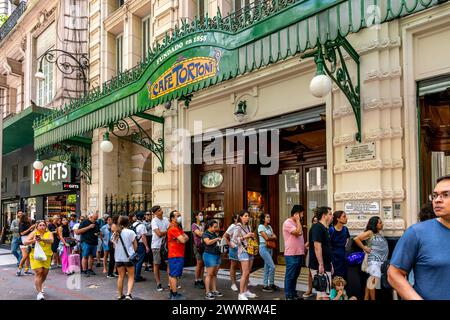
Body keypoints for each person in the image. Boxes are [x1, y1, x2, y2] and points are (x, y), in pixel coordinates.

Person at [388, 175, 450, 300]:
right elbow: (394, 274)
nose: (437, 200)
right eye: (435, 195)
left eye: (445, 195)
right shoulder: (416, 233)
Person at [353, 216, 388, 300]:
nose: (382, 224)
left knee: (371, 281)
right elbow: (356, 239)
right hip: (373, 261)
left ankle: (366, 298)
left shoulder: (378, 233)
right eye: (380, 223)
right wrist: (365, 248)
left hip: (379, 261)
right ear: (375, 224)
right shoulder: (370, 232)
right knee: (373, 281)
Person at [24, 220, 54, 300]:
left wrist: (42, 239)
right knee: (39, 272)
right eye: (40, 225)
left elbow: (51, 240)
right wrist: (34, 240)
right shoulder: (34, 233)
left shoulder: (49, 233)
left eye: (43, 225)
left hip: (47, 256)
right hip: (35, 256)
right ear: (37, 226)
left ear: (46, 226)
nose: (42, 226)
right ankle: (39, 293)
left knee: (44, 274)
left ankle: (39, 284)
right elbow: (25, 241)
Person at [309, 206, 333, 300]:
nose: (332, 216)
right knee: (325, 294)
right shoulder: (317, 227)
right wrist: (321, 265)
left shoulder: (324, 228)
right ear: (324, 215)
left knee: (321, 294)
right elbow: (317, 247)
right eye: (330, 214)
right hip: (318, 265)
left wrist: (329, 263)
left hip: (325, 264)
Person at [231, 210, 257, 300]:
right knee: (245, 273)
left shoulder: (249, 226)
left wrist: (252, 236)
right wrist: (245, 237)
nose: (247, 217)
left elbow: (249, 237)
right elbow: (233, 240)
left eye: (248, 216)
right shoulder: (238, 227)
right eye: (245, 216)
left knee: (248, 273)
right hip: (243, 251)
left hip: (250, 250)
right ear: (241, 217)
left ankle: (246, 291)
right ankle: (241, 293)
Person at [111, 215, 138, 300]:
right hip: (129, 257)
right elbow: (135, 245)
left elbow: (114, 245)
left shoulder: (116, 233)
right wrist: (132, 252)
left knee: (120, 276)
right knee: (131, 276)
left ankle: (120, 295)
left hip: (118, 258)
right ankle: (128, 294)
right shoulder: (131, 232)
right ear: (128, 222)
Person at [282, 205, 305, 300]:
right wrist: (298, 220)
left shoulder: (296, 222)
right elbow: (298, 232)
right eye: (302, 214)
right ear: (296, 214)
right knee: (290, 275)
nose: (302, 216)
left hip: (299, 253)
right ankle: (288, 295)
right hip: (291, 254)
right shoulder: (288, 223)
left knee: (295, 275)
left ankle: (293, 293)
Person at [167, 210, 189, 300]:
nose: (179, 217)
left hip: (178, 254)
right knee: (174, 275)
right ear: (172, 218)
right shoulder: (173, 228)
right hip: (175, 255)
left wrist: (181, 239)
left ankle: (172, 294)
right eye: (177, 216)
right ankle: (174, 295)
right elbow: (184, 240)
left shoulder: (178, 228)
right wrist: (181, 239)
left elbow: (186, 237)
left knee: (174, 274)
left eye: (180, 215)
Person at [202, 219, 223, 300]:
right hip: (209, 255)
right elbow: (208, 242)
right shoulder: (205, 234)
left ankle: (214, 290)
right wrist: (216, 239)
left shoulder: (214, 233)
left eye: (216, 226)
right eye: (214, 227)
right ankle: (207, 292)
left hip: (217, 255)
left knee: (214, 274)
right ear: (210, 226)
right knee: (209, 274)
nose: (216, 228)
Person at [150, 205, 170, 291]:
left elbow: (169, 230)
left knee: (169, 263)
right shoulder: (154, 221)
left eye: (160, 209)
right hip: (156, 245)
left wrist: (166, 232)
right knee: (156, 264)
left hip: (165, 245)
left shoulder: (165, 219)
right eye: (158, 210)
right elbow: (159, 234)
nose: (161, 211)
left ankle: (171, 282)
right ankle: (158, 283)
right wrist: (168, 231)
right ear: (154, 213)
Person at [75, 212, 100, 277]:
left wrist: (98, 234)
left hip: (94, 242)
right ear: (90, 217)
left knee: (92, 256)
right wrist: (88, 227)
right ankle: (84, 270)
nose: (95, 220)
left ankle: (90, 269)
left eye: (96, 219)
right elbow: (77, 232)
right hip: (86, 242)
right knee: (85, 256)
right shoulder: (84, 222)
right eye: (94, 219)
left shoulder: (96, 223)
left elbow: (98, 231)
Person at [259, 213, 278, 293]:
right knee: (272, 266)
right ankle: (270, 284)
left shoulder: (269, 227)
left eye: (269, 217)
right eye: (267, 217)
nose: (269, 218)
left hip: (270, 248)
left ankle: (267, 285)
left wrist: (270, 237)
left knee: (267, 267)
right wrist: (271, 237)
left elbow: (275, 237)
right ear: (263, 219)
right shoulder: (261, 226)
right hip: (263, 248)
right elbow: (266, 237)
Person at [329, 210, 350, 280]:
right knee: (335, 277)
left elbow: (347, 238)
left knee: (343, 276)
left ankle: (342, 290)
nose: (346, 218)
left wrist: (345, 246)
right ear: (338, 219)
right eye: (344, 216)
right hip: (334, 256)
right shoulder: (331, 230)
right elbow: (328, 244)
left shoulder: (345, 229)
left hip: (343, 255)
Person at [303, 215, 318, 298]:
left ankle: (320, 290)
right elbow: (309, 241)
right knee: (310, 273)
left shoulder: (322, 229)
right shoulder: (311, 230)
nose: (315, 222)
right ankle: (310, 289)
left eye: (316, 221)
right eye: (314, 221)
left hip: (319, 253)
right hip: (312, 252)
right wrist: (307, 245)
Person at [224, 213, 241, 292]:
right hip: (234, 248)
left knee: (243, 265)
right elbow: (225, 236)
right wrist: (230, 244)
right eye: (238, 218)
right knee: (233, 265)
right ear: (235, 219)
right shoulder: (232, 226)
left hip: (242, 248)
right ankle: (233, 284)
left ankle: (244, 281)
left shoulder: (242, 226)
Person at [132, 212, 150, 282]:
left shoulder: (133, 224)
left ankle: (135, 275)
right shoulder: (142, 226)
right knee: (140, 260)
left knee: (135, 260)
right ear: (143, 217)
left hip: (134, 244)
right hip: (140, 244)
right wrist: (146, 246)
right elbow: (143, 236)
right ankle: (137, 276)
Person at [192, 210, 205, 289]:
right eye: (200, 215)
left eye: (202, 215)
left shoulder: (203, 224)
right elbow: (199, 233)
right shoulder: (194, 225)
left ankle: (201, 279)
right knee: (199, 263)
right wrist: (206, 232)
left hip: (204, 246)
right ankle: (196, 280)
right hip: (197, 246)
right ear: (196, 216)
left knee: (203, 264)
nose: (201, 216)